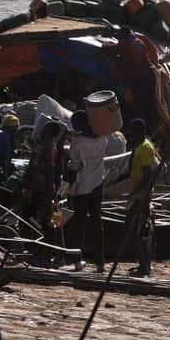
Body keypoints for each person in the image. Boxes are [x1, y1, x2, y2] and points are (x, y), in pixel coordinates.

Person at [65, 111, 109, 273]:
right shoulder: (103, 140)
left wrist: (67, 170)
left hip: (82, 187)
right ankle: (100, 263)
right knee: (97, 223)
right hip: (98, 184)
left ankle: (77, 261)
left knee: (79, 225)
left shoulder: (78, 143)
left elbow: (75, 166)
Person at [126, 118, 158, 277]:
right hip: (138, 193)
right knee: (138, 229)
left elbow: (147, 176)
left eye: (132, 131)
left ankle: (144, 267)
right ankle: (142, 264)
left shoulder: (145, 148)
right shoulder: (140, 147)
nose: (130, 135)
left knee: (142, 231)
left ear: (139, 131)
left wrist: (135, 193)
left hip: (142, 195)